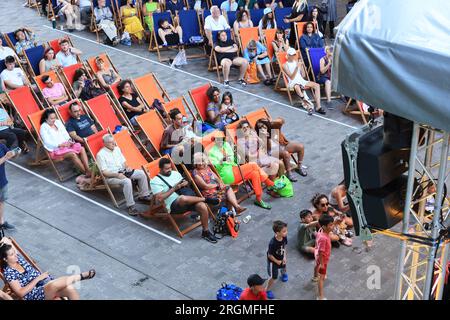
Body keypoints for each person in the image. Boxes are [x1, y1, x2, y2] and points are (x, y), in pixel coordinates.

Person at [0, 237, 96, 300]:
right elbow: (21, 293)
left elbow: (6, 239)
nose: (16, 255)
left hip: (45, 283)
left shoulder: (18, 259)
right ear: (5, 259)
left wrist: (2, 243)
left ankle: (77, 278)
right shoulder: (9, 273)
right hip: (34, 294)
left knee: (70, 289)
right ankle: (80, 276)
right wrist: (38, 278)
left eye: (14, 252)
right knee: (53, 285)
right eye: (12, 254)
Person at [150, 157, 219, 243]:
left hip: (188, 199)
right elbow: (159, 198)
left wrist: (186, 183)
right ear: (160, 169)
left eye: (170, 167)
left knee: (202, 206)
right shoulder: (155, 181)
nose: (169, 170)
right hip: (174, 205)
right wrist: (174, 188)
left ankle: (205, 232)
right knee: (182, 198)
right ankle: (205, 199)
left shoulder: (175, 173)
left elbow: (185, 184)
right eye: (167, 169)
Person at [208, 135, 282, 210]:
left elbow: (233, 159)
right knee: (253, 165)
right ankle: (271, 184)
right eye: (218, 140)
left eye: (221, 139)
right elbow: (216, 168)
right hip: (227, 174)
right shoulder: (211, 152)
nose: (220, 141)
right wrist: (222, 161)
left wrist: (235, 154)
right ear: (214, 141)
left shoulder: (226, 145)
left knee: (255, 173)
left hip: (235, 169)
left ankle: (259, 199)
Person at [96, 133, 152, 216]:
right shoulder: (101, 155)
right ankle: (131, 206)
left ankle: (144, 196)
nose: (114, 143)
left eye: (114, 141)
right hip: (111, 176)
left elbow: (124, 162)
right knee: (127, 181)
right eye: (111, 142)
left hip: (123, 171)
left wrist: (127, 167)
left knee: (141, 173)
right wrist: (117, 175)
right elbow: (104, 172)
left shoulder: (117, 149)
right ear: (105, 143)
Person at [40, 109, 91, 176]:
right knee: (72, 154)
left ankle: (88, 170)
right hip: (56, 150)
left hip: (66, 145)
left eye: (55, 117)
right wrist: (59, 145)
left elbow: (65, 133)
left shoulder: (57, 122)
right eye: (51, 118)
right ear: (46, 119)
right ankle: (86, 173)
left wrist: (69, 141)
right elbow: (47, 142)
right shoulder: (43, 127)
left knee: (82, 148)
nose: (54, 120)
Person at [282, 47, 325, 115]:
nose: (293, 56)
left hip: (301, 80)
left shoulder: (296, 62)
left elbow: (304, 75)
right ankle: (308, 105)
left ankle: (318, 107)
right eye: (292, 55)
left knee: (317, 85)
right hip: (293, 82)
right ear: (288, 55)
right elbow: (291, 77)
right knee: (297, 87)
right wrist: (296, 67)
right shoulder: (285, 65)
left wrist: (302, 67)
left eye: (294, 55)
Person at [312, 213, 333, 300]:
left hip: (317, 255)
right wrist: (322, 264)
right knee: (322, 278)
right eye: (331, 225)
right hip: (322, 259)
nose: (332, 226)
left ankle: (315, 276)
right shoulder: (323, 238)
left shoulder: (320, 230)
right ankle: (320, 297)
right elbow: (321, 251)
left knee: (316, 265)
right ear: (324, 226)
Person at [266, 220, 288, 300]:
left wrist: (284, 257)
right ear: (277, 233)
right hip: (274, 261)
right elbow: (270, 255)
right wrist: (276, 261)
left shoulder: (284, 237)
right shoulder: (272, 243)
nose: (286, 232)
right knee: (273, 277)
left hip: (281, 258)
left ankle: (283, 274)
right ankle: (267, 290)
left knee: (284, 267)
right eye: (284, 231)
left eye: (286, 230)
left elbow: (284, 247)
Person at [0, 144, 19, 230]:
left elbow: (9, 154)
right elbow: (5, 158)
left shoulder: (1, 146)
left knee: (1, 201)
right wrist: (5, 158)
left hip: (2, 180)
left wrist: (14, 153)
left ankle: (1, 222)